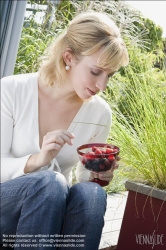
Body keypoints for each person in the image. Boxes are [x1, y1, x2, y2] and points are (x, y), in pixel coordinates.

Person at [1, 11, 129, 250]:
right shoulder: (11, 90)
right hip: (5, 208)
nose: (102, 85)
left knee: (92, 195)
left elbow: (81, 177)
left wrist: (98, 176)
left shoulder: (100, 113)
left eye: (109, 75)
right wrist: (37, 160)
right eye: (95, 72)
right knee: (50, 182)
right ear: (69, 58)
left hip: (48, 213)